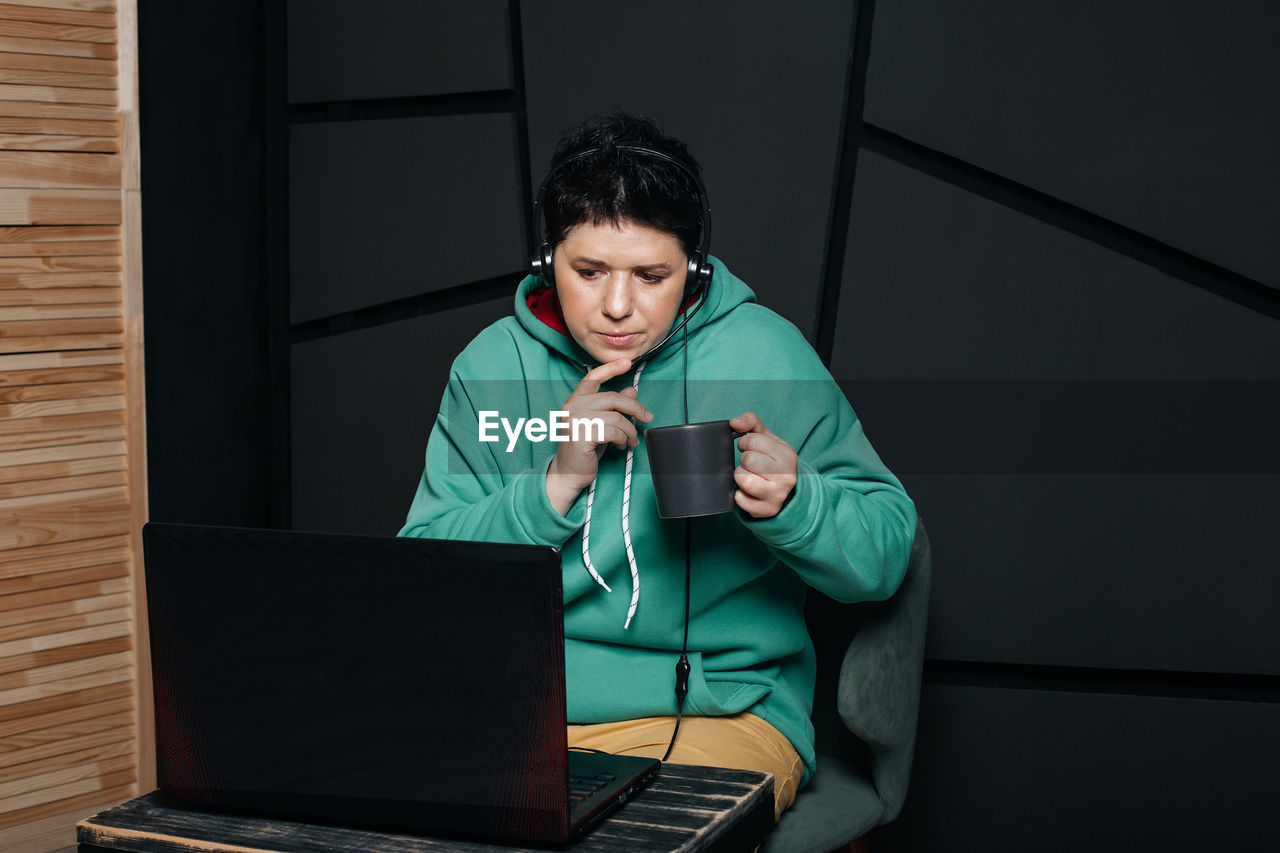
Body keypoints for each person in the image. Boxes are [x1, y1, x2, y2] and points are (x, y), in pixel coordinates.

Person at [399, 112, 916, 819]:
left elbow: (889, 552)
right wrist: (553, 485)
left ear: (694, 270)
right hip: (516, 712)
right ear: (548, 262)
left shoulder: (765, 355)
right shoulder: (493, 368)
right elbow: (419, 583)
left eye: (651, 275)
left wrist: (799, 503)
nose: (618, 305)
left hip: (723, 715)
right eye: (588, 272)